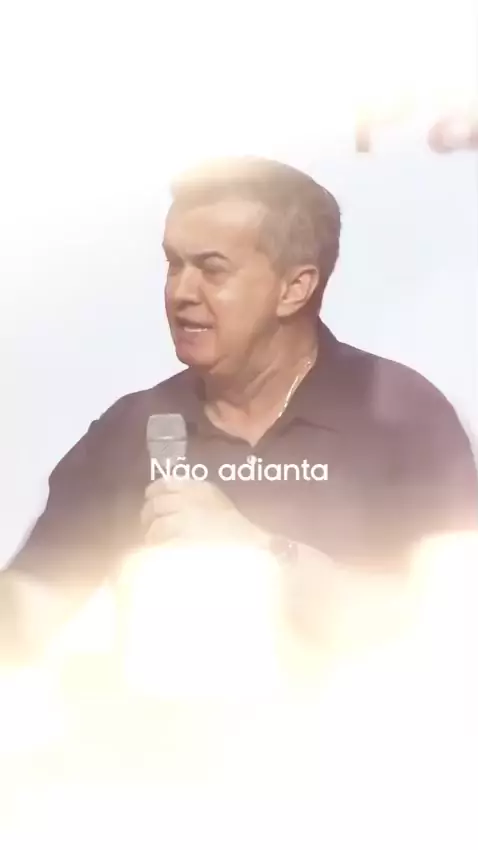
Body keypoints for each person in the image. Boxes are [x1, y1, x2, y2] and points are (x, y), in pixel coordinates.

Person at [2, 156, 477, 661]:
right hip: (163, 710)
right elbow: (25, 614)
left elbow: (452, 620)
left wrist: (262, 555)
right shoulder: (129, 431)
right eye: (173, 264)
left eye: (212, 269)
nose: (180, 292)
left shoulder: (399, 415)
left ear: (294, 288)